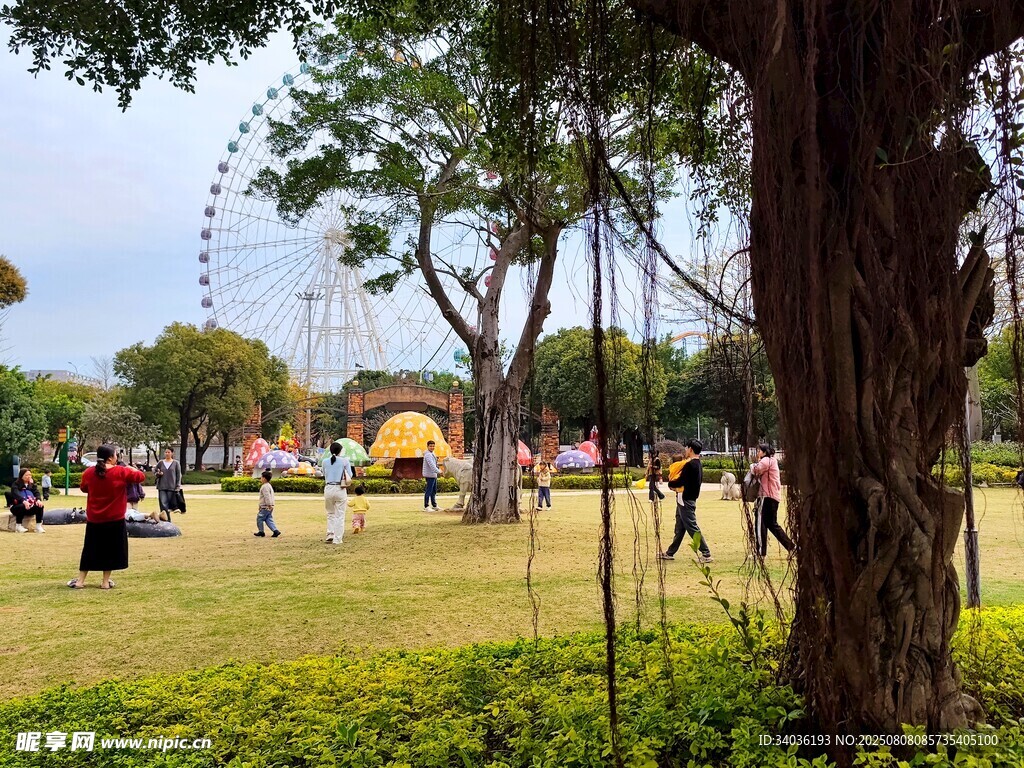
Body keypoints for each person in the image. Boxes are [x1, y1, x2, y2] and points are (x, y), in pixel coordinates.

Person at [70, 444, 146, 589]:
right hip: (114, 518)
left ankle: (80, 581)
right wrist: (131, 468)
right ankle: (105, 582)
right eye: (116, 455)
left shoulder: (88, 472)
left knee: (90, 549)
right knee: (111, 550)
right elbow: (140, 477)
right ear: (110, 458)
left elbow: (84, 488)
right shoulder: (121, 472)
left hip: (94, 518)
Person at [660, 439, 712, 563]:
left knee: (691, 526)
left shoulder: (689, 465)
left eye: (686, 447)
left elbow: (682, 480)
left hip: (685, 498)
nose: (685, 449)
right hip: (687, 498)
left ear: (690, 449)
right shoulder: (697, 463)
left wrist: (671, 484)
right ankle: (670, 552)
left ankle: (706, 553)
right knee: (680, 527)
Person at [750, 443, 794, 556]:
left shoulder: (766, 461)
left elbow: (756, 470)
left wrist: (752, 465)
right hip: (773, 497)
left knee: (760, 523)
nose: (758, 453)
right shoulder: (773, 461)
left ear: (764, 452)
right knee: (772, 524)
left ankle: (760, 551)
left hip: (766, 497)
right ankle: (791, 547)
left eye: (759, 451)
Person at [323, 441, 351, 544]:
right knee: (340, 515)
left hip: (328, 488)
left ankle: (330, 533)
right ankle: (337, 538)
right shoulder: (344, 461)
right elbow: (350, 475)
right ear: (340, 451)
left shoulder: (325, 461)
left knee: (330, 513)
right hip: (340, 488)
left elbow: (324, 473)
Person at [10, 469, 45, 533]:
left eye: (30, 475)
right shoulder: (15, 484)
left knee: (40, 506)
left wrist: (38, 500)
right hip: (17, 507)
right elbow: (16, 494)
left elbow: (36, 493)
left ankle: (38, 526)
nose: (29, 476)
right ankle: (18, 526)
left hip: (29, 507)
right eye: (26, 475)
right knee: (22, 506)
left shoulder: (31, 484)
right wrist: (24, 501)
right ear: (21, 476)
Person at [155, 448, 183, 516]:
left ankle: (167, 520)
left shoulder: (176, 463)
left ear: (172, 453)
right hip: (162, 487)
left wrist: (178, 486)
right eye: (166, 452)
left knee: (170, 506)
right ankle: (165, 519)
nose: (167, 454)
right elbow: (155, 471)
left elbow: (178, 475)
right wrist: (158, 474)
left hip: (172, 487)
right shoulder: (161, 462)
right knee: (163, 504)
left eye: (168, 452)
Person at [254, 470, 281, 538]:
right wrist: (271, 505)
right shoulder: (269, 485)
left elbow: (267, 496)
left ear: (264, 478)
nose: (261, 479)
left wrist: (268, 505)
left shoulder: (264, 486)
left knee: (259, 518)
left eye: (261, 477)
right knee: (268, 519)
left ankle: (261, 531)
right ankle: (275, 530)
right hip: (269, 506)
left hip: (265, 506)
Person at [422, 440, 440, 511]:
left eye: (433, 446)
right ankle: (426, 506)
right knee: (429, 491)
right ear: (427, 446)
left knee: (433, 491)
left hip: (433, 475)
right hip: (430, 475)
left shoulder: (432, 453)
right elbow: (432, 465)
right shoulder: (428, 455)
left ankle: (434, 505)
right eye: (430, 446)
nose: (432, 447)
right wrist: (438, 471)